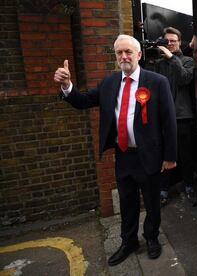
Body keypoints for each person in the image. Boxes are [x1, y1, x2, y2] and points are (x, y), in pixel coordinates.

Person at [53, 34, 177, 266]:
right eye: (119, 52)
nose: (123, 56)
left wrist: (170, 157)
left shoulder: (157, 82)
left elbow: (169, 121)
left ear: (138, 55)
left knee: (151, 202)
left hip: (149, 155)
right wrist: (67, 86)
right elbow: (83, 100)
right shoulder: (109, 83)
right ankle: (128, 242)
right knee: (127, 202)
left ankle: (151, 238)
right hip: (124, 155)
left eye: (128, 52)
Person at [154, 27, 196, 206]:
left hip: (182, 117)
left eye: (174, 40)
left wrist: (172, 59)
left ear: (180, 42)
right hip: (162, 118)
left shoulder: (188, 61)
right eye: (167, 41)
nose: (170, 44)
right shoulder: (157, 63)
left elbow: (184, 79)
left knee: (186, 155)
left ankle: (189, 185)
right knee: (164, 155)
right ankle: (163, 189)